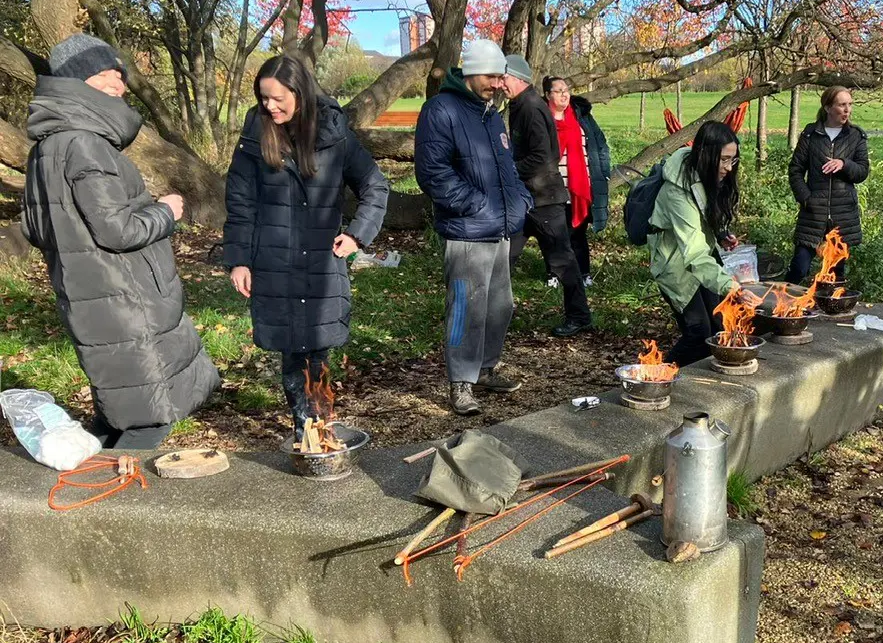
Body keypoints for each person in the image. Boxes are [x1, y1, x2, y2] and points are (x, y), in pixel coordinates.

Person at [22, 34, 220, 449]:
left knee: (119, 392)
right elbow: (118, 230)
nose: (122, 88)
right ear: (85, 80)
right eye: (113, 77)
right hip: (124, 291)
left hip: (83, 287)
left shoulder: (46, 146)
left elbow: (36, 229)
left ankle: (108, 460)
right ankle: (123, 495)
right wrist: (165, 212)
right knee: (147, 414)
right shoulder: (85, 144)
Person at [223, 55, 389, 440]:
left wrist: (357, 234)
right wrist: (238, 261)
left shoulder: (334, 133)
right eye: (264, 98)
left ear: (300, 92)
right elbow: (240, 202)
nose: (270, 106)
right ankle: (305, 427)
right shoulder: (255, 135)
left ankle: (319, 421)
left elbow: (375, 186)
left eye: (278, 98)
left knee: (319, 342)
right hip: (273, 260)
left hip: (321, 261)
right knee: (291, 347)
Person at [415, 40, 532, 416]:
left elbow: (506, 167)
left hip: (500, 227)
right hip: (466, 230)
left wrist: (520, 200)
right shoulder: (441, 110)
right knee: (466, 307)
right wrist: (475, 204)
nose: (498, 84)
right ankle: (461, 383)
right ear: (469, 72)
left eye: (501, 77)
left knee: (500, 304)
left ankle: (484, 369)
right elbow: (432, 172)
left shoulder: (491, 114)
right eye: (490, 76)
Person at [503, 54, 593, 337]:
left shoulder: (530, 108)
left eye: (502, 78)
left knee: (563, 260)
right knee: (503, 257)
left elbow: (544, 157)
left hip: (544, 200)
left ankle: (579, 316)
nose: (498, 84)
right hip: (526, 198)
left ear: (517, 78)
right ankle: (495, 315)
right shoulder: (521, 105)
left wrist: (506, 169)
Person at [648, 122, 742, 367]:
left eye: (733, 160)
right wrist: (731, 287)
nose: (728, 168)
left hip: (702, 261)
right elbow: (694, 252)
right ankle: (657, 379)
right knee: (699, 333)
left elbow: (703, 215)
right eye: (723, 160)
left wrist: (720, 234)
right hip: (675, 266)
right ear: (706, 154)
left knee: (719, 326)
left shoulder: (703, 172)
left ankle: (700, 382)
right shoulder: (676, 192)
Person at [787, 86, 870, 285]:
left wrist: (844, 164)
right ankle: (783, 308)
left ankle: (830, 311)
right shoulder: (810, 135)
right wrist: (806, 198)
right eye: (842, 105)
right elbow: (795, 170)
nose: (847, 110)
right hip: (813, 214)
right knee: (799, 267)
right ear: (827, 107)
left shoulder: (856, 136)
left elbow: (862, 171)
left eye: (849, 105)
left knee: (835, 274)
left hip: (842, 216)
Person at [543, 75, 612, 287]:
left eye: (566, 89)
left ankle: (583, 273)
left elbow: (600, 145)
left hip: (580, 187)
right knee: (554, 233)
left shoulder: (582, 117)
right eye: (558, 90)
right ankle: (554, 274)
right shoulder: (541, 118)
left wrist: (604, 170)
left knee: (578, 232)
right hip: (552, 187)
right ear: (547, 95)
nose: (564, 94)